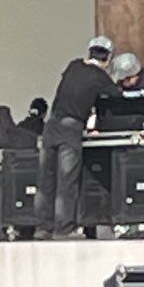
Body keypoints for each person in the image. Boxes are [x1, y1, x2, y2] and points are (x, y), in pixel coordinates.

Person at [37, 35, 115, 237]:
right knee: (67, 181)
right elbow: (116, 98)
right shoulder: (100, 77)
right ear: (108, 58)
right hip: (71, 129)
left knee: (46, 181)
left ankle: (43, 228)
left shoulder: (73, 66)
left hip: (51, 126)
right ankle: (64, 229)